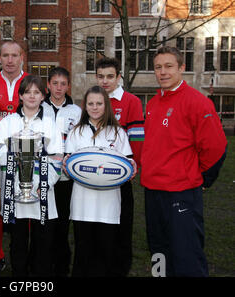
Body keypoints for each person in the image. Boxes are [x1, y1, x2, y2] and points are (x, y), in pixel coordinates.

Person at [141, 46, 227, 277]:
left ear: (182, 68)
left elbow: (216, 148)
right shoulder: (152, 104)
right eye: (158, 67)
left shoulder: (197, 102)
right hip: (153, 191)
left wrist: (200, 177)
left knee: (186, 254)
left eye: (169, 66)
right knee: (159, 253)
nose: (163, 72)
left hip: (181, 192)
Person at [0, 75, 63, 276]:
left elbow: (57, 157)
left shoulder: (50, 124)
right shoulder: (7, 123)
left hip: (42, 192)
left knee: (43, 245)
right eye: (27, 92)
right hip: (14, 191)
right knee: (18, 244)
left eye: (37, 92)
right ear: (20, 95)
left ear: (42, 96)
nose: (32, 96)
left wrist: (45, 184)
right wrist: (15, 157)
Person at [64, 86, 136, 277]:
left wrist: (132, 166)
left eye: (99, 103)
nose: (95, 107)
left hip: (109, 205)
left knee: (106, 253)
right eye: (90, 104)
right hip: (82, 204)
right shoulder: (75, 133)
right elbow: (69, 163)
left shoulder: (118, 133)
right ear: (85, 106)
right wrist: (66, 164)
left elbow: (128, 161)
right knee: (83, 253)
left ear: (106, 105)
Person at [95, 57, 145, 276]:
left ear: (118, 77)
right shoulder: (93, 100)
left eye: (109, 77)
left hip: (120, 176)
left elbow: (137, 139)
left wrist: (133, 166)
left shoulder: (131, 101)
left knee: (122, 226)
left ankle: (120, 268)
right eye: (100, 76)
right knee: (99, 226)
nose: (105, 81)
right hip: (96, 175)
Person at [0, 41, 29, 276]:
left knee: (25, 205)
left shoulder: (31, 82)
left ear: (22, 57)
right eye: (5, 55)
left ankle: (22, 254)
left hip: (26, 155)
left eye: (14, 55)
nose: (10, 60)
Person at [41, 67, 82, 277]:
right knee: (45, 223)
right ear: (48, 85)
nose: (58, 88)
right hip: (44, 176)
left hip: (66, 177)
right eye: (54, 83)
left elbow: (80, 142)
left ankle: (62, 267)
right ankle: (43, 266)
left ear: (68, 86)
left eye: (63, 84)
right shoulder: (39, 107)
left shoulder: (76, 112)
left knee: (63, 222)